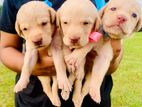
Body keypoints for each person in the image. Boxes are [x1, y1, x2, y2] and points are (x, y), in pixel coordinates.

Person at [0, 0, 114, 107]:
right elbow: (6, 47)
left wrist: (87, 57)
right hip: (34, 99)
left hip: (93, 96)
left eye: (44, 23)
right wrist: (32, 70)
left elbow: (112, 50)